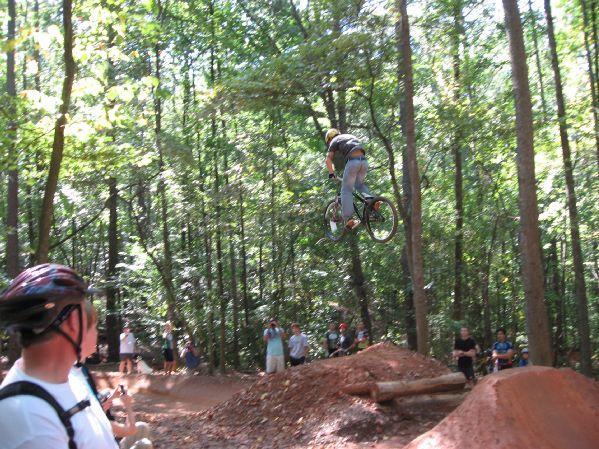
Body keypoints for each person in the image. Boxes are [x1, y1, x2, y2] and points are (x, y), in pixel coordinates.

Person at [0, 263, 119, 449]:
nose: (96, 332)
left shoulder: (69, 378)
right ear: (73, 322)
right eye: (94, 326)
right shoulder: (30, 420)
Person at [78, 312, 153, 449]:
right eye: (93, 329)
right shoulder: (92, 416)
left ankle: (129, 373)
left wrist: (112, 396)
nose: (96, 335)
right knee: (144, 444)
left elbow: (99, 409)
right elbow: (129, 429)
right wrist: (128, 405)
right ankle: (122, 371)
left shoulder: (82, 372)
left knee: (142, 427)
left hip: (109, 438)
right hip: (105, 440)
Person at [324, 128, 378, 230]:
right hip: (364, 162)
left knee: (346, 190)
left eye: (329, 141)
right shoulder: (349, 136)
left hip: (353, 162)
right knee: (359, 184)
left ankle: (349, 219)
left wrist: (331, 173)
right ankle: (372, 204)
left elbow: (328, 159)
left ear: (330, 138)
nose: (330, 143)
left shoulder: (335, 140)